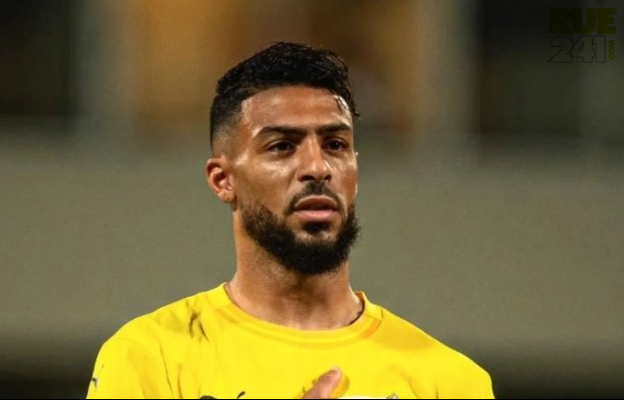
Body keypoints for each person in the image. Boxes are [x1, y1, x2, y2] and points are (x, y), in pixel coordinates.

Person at [86, 42, 494, 399]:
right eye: (282, 146)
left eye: (335, 144)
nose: (317, 167)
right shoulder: (149, 356)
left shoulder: (450, 381)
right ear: (223, 180)